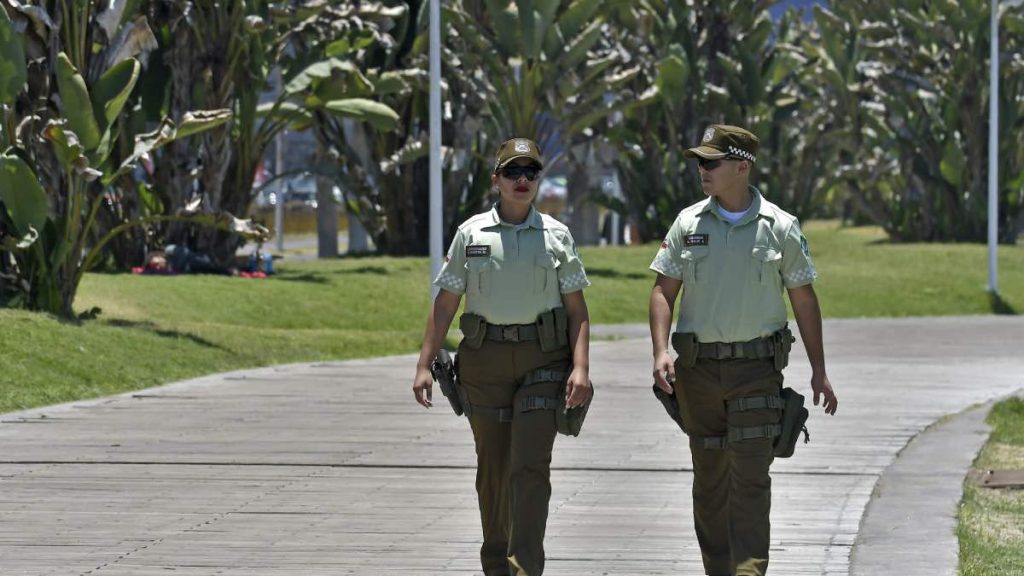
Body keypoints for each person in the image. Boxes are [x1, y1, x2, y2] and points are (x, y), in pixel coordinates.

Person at [648, 124, 838, 576]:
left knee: (751, 479)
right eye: (699, 162)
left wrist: (819, 369)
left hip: (757, 370)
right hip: (698, 375)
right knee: (710, 483)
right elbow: (662, 292)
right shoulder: (687, 223)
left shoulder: (781, 228)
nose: (702, 170)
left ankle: (748, 571)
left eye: (711, 162)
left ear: (742, 167)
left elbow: (804, 299)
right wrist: (659, 351)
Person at [412, 137, 594, 576]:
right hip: (484, 362)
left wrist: (581, 368)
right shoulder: (471, 234)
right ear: (496, 180)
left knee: (530, 468)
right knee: (493, 474)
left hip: (543, 362)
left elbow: (577, 310)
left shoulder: (556, 236)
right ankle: (496, 565)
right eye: (513, 172)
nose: (523, 180)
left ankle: (525, 567)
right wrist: (424, 364)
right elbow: (445, 303)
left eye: (531, 172)